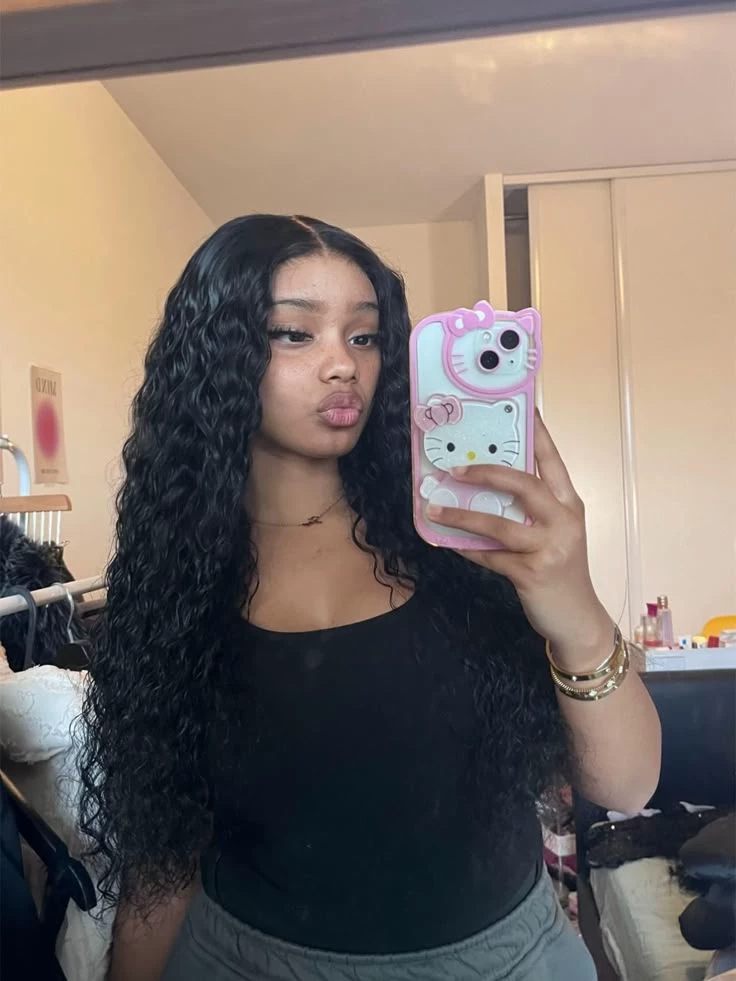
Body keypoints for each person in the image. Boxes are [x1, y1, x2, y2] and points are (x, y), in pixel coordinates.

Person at [78, 215, 661, 981]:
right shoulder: (172, 583)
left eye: (365, 336)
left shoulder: (465, 538)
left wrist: (574, 604)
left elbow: (626, 785)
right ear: (213, 353)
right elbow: (166, 853)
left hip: (503, 963)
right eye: (294, 333)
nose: (343, 365)